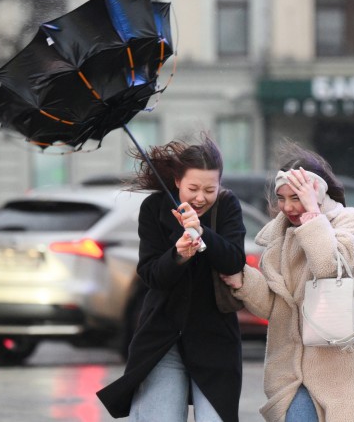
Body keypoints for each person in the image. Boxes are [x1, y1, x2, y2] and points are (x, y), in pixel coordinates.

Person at [220, 140, 354, 422]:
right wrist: (241, 279)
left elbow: (328, 266)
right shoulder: (279, 238)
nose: (287, 207)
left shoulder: (352, 222)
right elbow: (276, 305)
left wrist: (313, 216)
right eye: (282, 198)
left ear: (317, 192)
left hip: (343, 377)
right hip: (292, 377)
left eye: (296, 197)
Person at [97, 133, 247, 422]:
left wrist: (204, 232)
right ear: (178, 181)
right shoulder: (154, 209)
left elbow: (233, 261)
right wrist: (177, 255)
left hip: (214, 339)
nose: (201, 197)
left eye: (209, 189)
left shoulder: (227, 206)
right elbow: (152, 275)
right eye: (193, 188)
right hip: (162, 338)